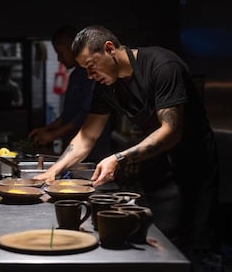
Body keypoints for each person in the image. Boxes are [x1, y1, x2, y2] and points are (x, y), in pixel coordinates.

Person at [34, 25, 221, 271]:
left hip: (193, 164)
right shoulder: (106, 85)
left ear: (109, 49)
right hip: (159, 165)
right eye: (84, 70)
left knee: (197, 247)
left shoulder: (162, 66)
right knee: (162, 238)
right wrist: (54, 170)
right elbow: (87, 136)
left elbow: (171, 131)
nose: (90, 75)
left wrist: (119, 157)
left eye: (91, 65)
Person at [28, 26, 112, 163]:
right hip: (72, 151)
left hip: (93, 153)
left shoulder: (95, 76)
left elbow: (84, 114)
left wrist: (54, 134)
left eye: (60, 53)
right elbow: (69, 114)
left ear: (71, 47)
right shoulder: (74, 76)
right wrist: (48, 129)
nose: (59, 59)